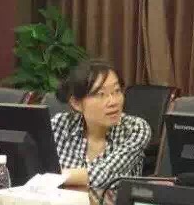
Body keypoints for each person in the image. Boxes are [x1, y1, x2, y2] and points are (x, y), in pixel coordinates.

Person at [51, 60, 151, 189]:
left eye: (117, 91)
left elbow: (103, 176)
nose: (113, 102)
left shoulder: (135, 129)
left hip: (111, 201)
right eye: (101, 94)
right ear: (76, 103)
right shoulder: (60, 124)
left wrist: (50, 176)